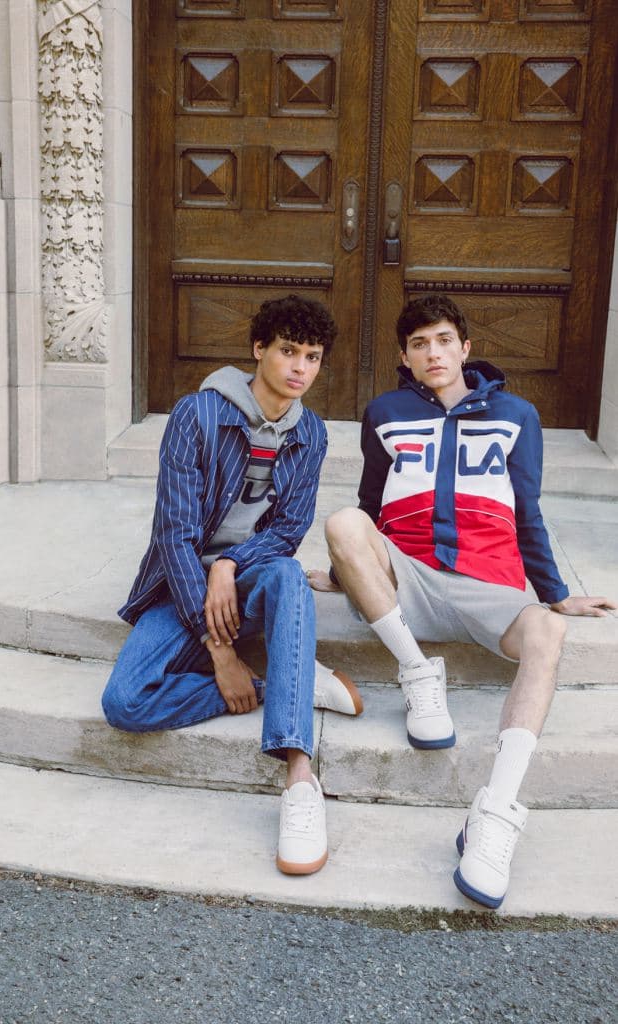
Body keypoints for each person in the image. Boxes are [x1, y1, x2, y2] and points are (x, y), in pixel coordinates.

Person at [308, 293, 615, 908]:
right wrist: (348, 569)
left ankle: (495, 812)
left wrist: (555, 595)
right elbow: (370, 504)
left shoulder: (516, 415)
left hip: (490, 584)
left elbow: (527, 511)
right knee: (342, 522)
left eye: (444, 340)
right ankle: (418, 671)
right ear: (405, 356)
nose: (433, 353)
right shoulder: (385, 412)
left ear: (465, 348)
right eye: (419, 344)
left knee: (548, 635)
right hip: (410, 578)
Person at [102, 294, 362, 877]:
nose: (300, 368)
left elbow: (288, 531)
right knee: (125, 703)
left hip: (249, 578)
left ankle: (300, 777)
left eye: (313, 357)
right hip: (180, 585)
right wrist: (220, 652)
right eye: (288, 351)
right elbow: (174, 534)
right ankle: (286, 684)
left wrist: (230, 564)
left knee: (289, 574)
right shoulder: (196, 415)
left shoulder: (311, 433)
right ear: (258, 349)